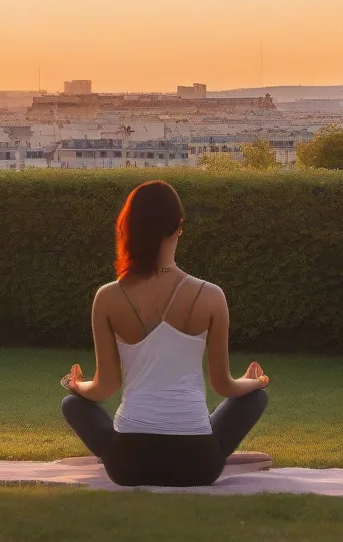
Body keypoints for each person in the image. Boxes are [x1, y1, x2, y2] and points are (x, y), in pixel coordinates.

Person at [60, 179, 269, 487]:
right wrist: (254, 382)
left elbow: (105, 387)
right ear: (179, 228)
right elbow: (223, 385)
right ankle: (209, 429)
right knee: (255, 399)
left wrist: (77, 386)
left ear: (128, 229)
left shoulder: (107, 297)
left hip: (128, 464)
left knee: (71, 404)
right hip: (198, 465)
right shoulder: (211, 296)